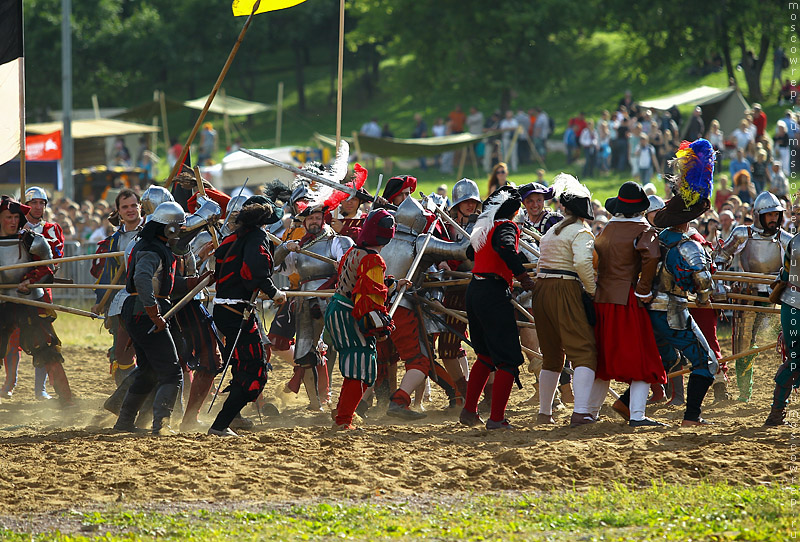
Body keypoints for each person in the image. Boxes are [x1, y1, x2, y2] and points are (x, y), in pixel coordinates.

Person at [648, 139, 719, 425]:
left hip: (653, 308)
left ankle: (625, 403)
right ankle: (692, 416)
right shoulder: (689, 245)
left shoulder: (658, 239)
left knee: (665, 361)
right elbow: (704, 283)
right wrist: (703, 298)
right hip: (675, 311)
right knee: (707, 362)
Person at [112, 202, 195, 434]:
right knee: (171, 372)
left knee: (148, 371)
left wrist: (193, 282)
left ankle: (124, 422)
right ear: (168, 228)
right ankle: (162, 425)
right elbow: (142, 279)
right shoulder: (150, 249)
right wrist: (153, 312)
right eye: (177, 228)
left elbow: (163, 285)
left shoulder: (155, 246)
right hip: (144, 310)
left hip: (141, 309)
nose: (179, 232)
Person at [207, 196, 286, 437]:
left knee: (245, 366)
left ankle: (228, 420)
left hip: (225, 308)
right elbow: (254, 273)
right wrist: (275, 293)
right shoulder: (257, 237)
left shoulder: (233, 238)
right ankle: (220, 425)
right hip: (236, 311)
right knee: (254, 371)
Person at [589, 182, 665, 426]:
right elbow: (652, 256)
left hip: (602, 299)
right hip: (627, 301)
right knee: (643, 359)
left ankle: (588, 413)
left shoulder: (607, 228)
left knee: (603, 360)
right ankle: (637, 415)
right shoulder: (644, 229)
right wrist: (643, 291)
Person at [459, 186, 533, 429]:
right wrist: (524, 277)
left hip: (475, 290)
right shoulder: (505, 227)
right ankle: (497, 418)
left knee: (485, 355)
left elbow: (471, 251)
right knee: (509, 359)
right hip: (492, 293)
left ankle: (470, 411)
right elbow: (505, 248)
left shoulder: (485, 227)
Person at [274, 199, 354, 411]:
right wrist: (284, 247)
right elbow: (277, 266)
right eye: (310, 218)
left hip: (332, 299)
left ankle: (346, 402)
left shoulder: (337, 241)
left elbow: (351, 265)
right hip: (305, 301)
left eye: (318, 218)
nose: (314, 222)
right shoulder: (299, 247)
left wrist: (342, 262)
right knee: (305, 352)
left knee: (344, 347)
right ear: (304, 221)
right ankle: (315, 403)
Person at [531, 174, 597, 427]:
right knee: (583, 351)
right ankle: (580, 412)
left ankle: (544, 413)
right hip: (564, 288)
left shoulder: (550, 231)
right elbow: (581, 263)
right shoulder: (581, 232)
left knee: (551, 355)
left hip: (542, 289)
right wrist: (591, 289)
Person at [715, 191, 792, 402]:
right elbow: (721, 256)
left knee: (789, 342)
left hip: (777, 296)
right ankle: (744, 393)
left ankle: (785, 392)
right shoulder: (742, 234)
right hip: (747, 294)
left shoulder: (785, 239)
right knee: (743, 345)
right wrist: (720, 285)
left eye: (776, 214)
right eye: (769, 215)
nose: (774, 219)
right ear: (759, 216)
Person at [325, 209, 397, 430]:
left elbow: (363, 282)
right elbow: (368, 298)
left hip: (338, 308)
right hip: (351, 312)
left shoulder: (354, 251)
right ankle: (344, 419)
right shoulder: (373, 260)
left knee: (354, 362)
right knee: (361, 364)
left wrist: (392, 284)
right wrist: (380, 323)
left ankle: (342, 411)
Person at [0, 196, 73, 408]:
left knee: (47, 348)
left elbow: (47, 267)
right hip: (3, 301)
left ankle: (66, 401)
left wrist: (29, 281)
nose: (13, 222)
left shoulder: (32, 240)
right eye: (8, 217)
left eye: (16, 217)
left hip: (29, 300)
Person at [92, 189, 144, 386]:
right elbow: (107, 277)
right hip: (122, 303)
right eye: (125, 207)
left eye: (133, 205)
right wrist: (101, 303)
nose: (130, 210)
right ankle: (127, 396)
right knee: (121, 355)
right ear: (118, 211)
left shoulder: (153, 232)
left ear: (141, 207)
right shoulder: (114, 242)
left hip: (151, 300)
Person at [20, 186, 65, 399]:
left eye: (41, 203)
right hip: (13, 287)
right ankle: (10, 385)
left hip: (39, 290)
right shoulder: (14, 224)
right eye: (33, 202)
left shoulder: (51, 229)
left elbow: (54, 260)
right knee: (9, 342)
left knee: (44, 341)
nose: (37, 207)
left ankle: (41, 390)